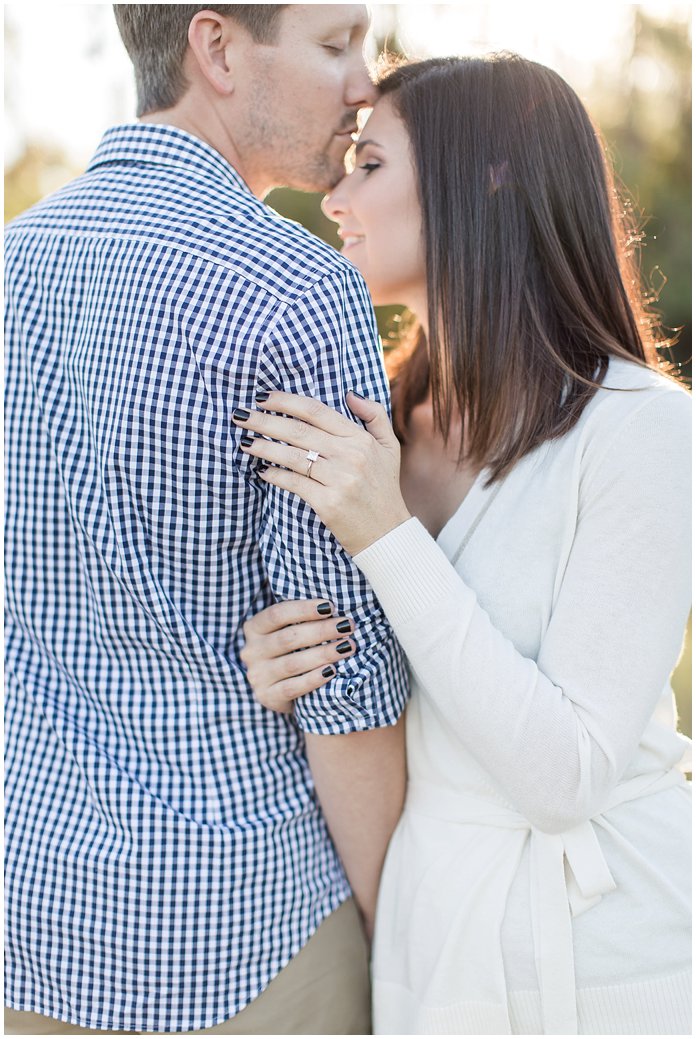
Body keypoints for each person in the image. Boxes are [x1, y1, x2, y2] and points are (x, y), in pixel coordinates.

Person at [236, 55, 692, 1035]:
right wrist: (281, 666)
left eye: (369, 164)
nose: (335, 196)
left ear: (483, 175)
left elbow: (566, 776)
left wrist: (388, 537)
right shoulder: (381, 425)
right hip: (429, 943)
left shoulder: (642, 430)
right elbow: (382, 688)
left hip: (606, 953)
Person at [4, 6, 410, 1034]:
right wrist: (396, 926)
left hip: (33, 911)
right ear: (218, 48)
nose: (364, 83)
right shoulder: (296, 288)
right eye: (335, 45)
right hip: (247, 925)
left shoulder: (13, 264)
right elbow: (342, 668)